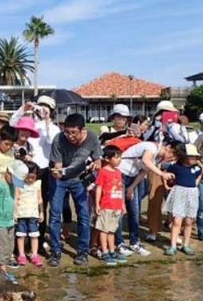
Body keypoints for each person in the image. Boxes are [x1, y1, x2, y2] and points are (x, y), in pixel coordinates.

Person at [48, 113, 102, 267]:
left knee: (83, 215)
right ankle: (55, 251)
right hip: (59, 179)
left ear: (82, 130)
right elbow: (57, 166)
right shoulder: (58, 139)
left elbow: (98, 160)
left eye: (73, 132)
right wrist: (57, 173)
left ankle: (83, 250)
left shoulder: (92, 137)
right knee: (54, 214)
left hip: (79, 180)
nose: (69, 136)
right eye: (67, 132)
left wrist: (95, 166)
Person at [8, 96, 60, 237]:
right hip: (24, 168)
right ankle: (20, 237)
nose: (42, 109)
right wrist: (24, 109)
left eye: (46, 107)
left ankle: (39, 236)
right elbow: (12, 124)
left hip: (43, 170)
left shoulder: (53, 127)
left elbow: (51, 140)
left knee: (40, 203)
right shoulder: (29, 123)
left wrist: (47, 120)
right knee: (20, 201)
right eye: (41, 105)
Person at [164, 145, 203, 256]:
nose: (194, 159)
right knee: (176, 221)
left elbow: (198, 176)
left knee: (189, 221)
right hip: (179, 192)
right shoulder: (175, 167)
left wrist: (195, 184)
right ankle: (173, 245)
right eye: (191, 157)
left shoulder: (197, 168)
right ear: (184, 156)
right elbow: (165, 173)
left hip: (192, 193)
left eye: (195, 157)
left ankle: (186, 244)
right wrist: (166, 185)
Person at [94, 147, 126, 266]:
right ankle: (104, 251)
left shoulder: (118, 172)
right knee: (104, 229)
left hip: (116, 206)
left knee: (112, 230)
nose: (119, 160)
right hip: (106, 205)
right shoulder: (103, 171)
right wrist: (97, 204)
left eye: (120, 157)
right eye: (116, 157)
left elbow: (120, 189)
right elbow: (99, 188)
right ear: (107, 158)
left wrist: (122, 204)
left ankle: (112, 250)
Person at [15, 161, 44, 267]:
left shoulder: (37, 183)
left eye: (33, 177)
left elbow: (40, 199)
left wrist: (41, 212)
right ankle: (21, 255)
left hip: (33, 214)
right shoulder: (18, 183)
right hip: (21, 213)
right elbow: (16, 198)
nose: (31, 179)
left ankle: (34, 255)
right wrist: (14, 213)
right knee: (21, 235)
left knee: (34, 235)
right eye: (28, 177)